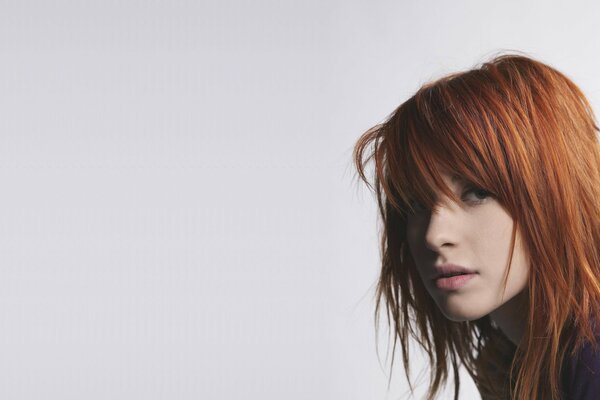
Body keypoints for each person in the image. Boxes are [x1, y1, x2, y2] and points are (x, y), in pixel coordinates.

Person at [352, 52, 600, 400]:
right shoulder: (508, 364)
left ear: (555, 193)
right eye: (416, 203)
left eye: (477, 192)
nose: (434, 236)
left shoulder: (590, 361)